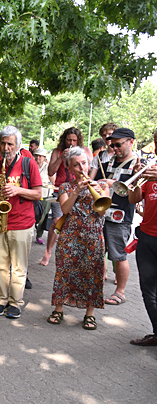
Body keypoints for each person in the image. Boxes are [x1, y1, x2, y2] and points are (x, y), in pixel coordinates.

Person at [46, 147, 108, 330]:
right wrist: (77, 191)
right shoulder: (66, 186)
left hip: (93, 236)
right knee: (64, 272)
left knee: (93, 274)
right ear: (69, 168)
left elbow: (103, 210)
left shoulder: (102, 186)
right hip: (70, 237)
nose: (81, 167)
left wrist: (97, 189)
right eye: (76, 165)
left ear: (89, 164)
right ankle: (58, 309)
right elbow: (65, 210)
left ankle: (90, 314)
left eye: (84, 163)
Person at [0, 126, 42, 319]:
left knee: (18, 266)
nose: (6, 147)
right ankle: (1, 300)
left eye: (10, 144)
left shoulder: (29, 164)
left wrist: (18, 190)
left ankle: (16, 302)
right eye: (3, 143)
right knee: (0, 265)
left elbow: (38, 193)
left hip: (22, 222)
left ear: (18, 145)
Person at [95, 128, 137, 305]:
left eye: (118, 144)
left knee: (118, 255)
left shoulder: (137, 164)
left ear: (131, 142)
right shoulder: (109, 161)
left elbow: (135, 194)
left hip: (120, 217)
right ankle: (94, 288)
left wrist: (113, 184)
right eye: (112, 144)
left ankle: (120, 292)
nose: (115, 148)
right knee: (98, 254)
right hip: (102, 214)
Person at [41, 127, 92, 266]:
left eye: (74, 140)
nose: (71, 142)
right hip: (62, 189)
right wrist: (62, 158)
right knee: (58, 220)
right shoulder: (58, 151)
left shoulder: (85, 151)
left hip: (83, 189)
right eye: (69, 139)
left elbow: (91, 169)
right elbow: (51, 172)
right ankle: (48, 252)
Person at [128, 140, 157, 345]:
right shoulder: (151, 170)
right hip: (146, 236)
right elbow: (134, 199)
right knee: (147, 289)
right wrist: (134, 181)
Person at [33, 147, 54, 244]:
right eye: (37, 155)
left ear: (44, 157)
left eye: (40, 156)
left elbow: (53, 182)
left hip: (46, 195)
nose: (38, 158)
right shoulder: (31, 166)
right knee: (32, 215)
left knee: (42, 216)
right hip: (33, 194)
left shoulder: (48, 167)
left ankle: (39, 235)